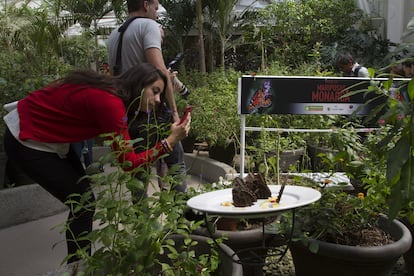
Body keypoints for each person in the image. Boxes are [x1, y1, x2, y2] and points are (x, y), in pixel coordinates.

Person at [2, 63, 190, 263]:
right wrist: (169, 142)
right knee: (83, 204)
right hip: (26, 138)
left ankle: (79, 266)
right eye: (155, 91)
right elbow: (128, 163)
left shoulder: (114, 95)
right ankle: (78, 268)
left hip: (43, 133)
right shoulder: (110, 102)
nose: (158, 99)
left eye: (160, 94)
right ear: (139, 84)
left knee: (83, 201)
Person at [107, 0, 188, 196]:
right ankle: (182, 221)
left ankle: (140, 223)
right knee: (176, 163)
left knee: (138, 174)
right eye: (156, 6)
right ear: (146, 4)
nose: (157, 11)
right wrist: (175, 113)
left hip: (128, 112)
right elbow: (160, 71)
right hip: (153, 110)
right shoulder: (149, 26)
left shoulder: (114, 34)